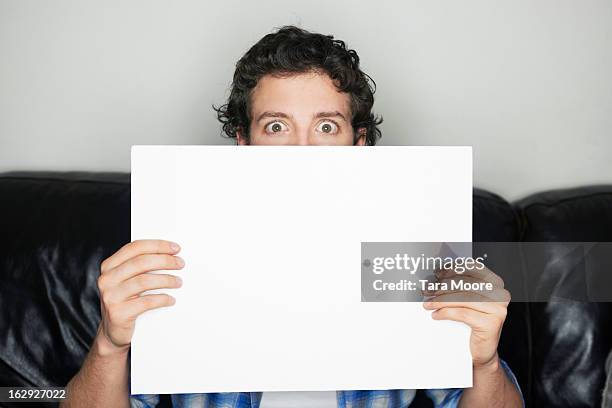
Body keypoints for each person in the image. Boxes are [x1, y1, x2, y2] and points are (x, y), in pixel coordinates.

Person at [62, 26, 523, 408]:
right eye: (277, 126)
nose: (302, 150)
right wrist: (109, 344)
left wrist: (483, 365)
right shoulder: (177, 252)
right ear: (244, 143)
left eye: (326, 126)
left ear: (358, 144)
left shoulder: (410, 252)